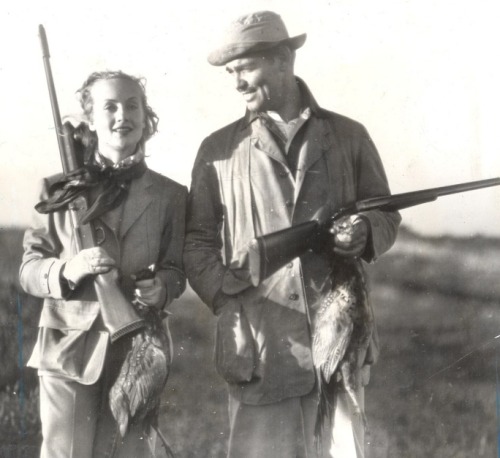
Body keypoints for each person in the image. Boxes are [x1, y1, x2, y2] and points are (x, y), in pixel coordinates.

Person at [184, 11, 401, 458]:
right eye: (232, 72)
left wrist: (365, 232)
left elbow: (386, 215)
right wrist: (226, 301)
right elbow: (197, 242)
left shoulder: (348, 136)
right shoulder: (218, 150)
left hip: (339, 340)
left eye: (247, 68)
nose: (237, 83)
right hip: (261, 347)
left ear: (284, 60)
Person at [20, 70, 187, 457]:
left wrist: (162, 286)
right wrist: (66, 270)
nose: (121, 116)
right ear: (91, 120)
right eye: (108, 106)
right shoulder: (58, 190)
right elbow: (29, 268)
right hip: (68, 350)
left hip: (138, 349)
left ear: (147, 118)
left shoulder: (171, 195)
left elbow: (176, 270)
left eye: (132, 105)